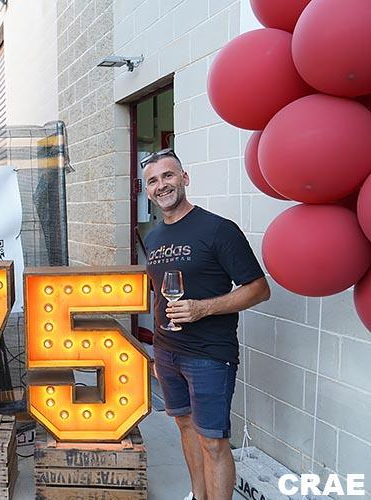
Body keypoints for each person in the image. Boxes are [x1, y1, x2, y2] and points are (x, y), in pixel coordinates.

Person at [141, 149, 270, 500]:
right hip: (168, 353)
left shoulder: (218, 229)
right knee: (185, 426)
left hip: (210, 355)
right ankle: (198, 495)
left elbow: (259, 289)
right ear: (147, 190)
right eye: (153, 181)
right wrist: (157, 351)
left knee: (213, 441)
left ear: (184, 178)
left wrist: (203, 308)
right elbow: (159, 296)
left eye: (168, 176)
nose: (161, 185)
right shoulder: (153, 239)